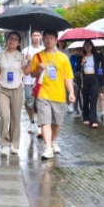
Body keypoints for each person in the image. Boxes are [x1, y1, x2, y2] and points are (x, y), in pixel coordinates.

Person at [28, 29, 75, 160]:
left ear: (56, 40)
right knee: (45, 121)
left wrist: (71, 92)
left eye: (51, 38)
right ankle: (48, 147)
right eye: (46, 38)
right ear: (43, 39)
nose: (48, 40)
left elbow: (68, 77)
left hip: (59, 94)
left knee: (57, 122)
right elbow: (32, 74)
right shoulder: (37, 56)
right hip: (43, 94)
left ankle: (54, 141)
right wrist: (39, 69)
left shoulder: (63, 57)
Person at [0, 31, 26, 156]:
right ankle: (4, 143)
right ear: (6, 40)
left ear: (19, 43)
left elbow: (26, 71)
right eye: (10, 38)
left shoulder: (21, 56)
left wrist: (29, 63)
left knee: (16, 117)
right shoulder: (0, 55)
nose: (12, 41)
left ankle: (14, 143)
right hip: (2, 88)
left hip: (17, 88)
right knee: (5, 116)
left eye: (15, 39)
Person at [22, 31, 44, 134]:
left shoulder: (44, 50)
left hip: (41, 81)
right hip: (28, 81)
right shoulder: (25, 50)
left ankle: (40, 125)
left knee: (41, 103)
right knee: (29, 104)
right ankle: (32, 122)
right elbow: (22, 68)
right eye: (34, 35)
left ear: (41, 37)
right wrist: (28, 61)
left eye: (38, 35)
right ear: (31, 37)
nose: (36, 37)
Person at [80, 40, 104, 128]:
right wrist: (82, 63)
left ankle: (93, 120)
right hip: (85, 79)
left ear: (92, 46)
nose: (87, 47)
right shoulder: (81, 56)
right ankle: (86, 117)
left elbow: (102, 60)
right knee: (86, 99)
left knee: (93, 100)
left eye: (89, 45)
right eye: (86, 45)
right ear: (84, 47)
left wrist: (99, 52)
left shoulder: (96, 56)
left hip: (94, 78)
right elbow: (77, 68)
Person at [69, 48, 83, 118]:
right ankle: (76, 110)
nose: (79, 51)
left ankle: (83, 109)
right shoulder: (73, 57)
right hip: (75, 77)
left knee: (82, 94)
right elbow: (70, 67)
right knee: (75, 93)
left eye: (81, 49)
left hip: (84, 78)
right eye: (78, 49)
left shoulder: (85, 57)